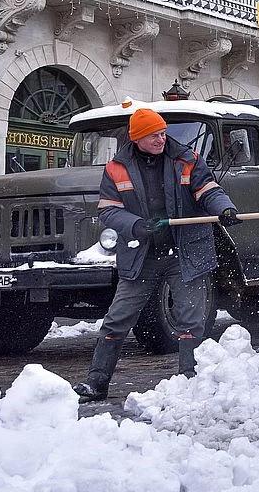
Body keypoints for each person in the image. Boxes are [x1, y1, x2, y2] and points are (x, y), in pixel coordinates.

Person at [72, 108, 242, 403]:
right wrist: (136, 225)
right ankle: (96, 382)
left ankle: (190, 382)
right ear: (137, 137)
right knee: (117, 318)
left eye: (163, 133)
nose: (161, 138)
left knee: (191, 318)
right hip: (142, 255)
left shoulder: (186, 159)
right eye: (154, 135)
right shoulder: (116, 168)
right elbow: (109, 211)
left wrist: (223, 208)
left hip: (185, 251)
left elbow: (208, 189)